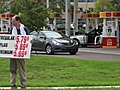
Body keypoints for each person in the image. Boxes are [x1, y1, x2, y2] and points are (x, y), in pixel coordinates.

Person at [10, 15, 29, 88]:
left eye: (13, 21)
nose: (12, 23)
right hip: (13, 52)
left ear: (18, 21)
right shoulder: (12, 30)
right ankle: (13, 84)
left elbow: (28, 38)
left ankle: (23, 84)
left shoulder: (24, 29)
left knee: (21, 69)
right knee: (12, 69)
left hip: (21, 53)